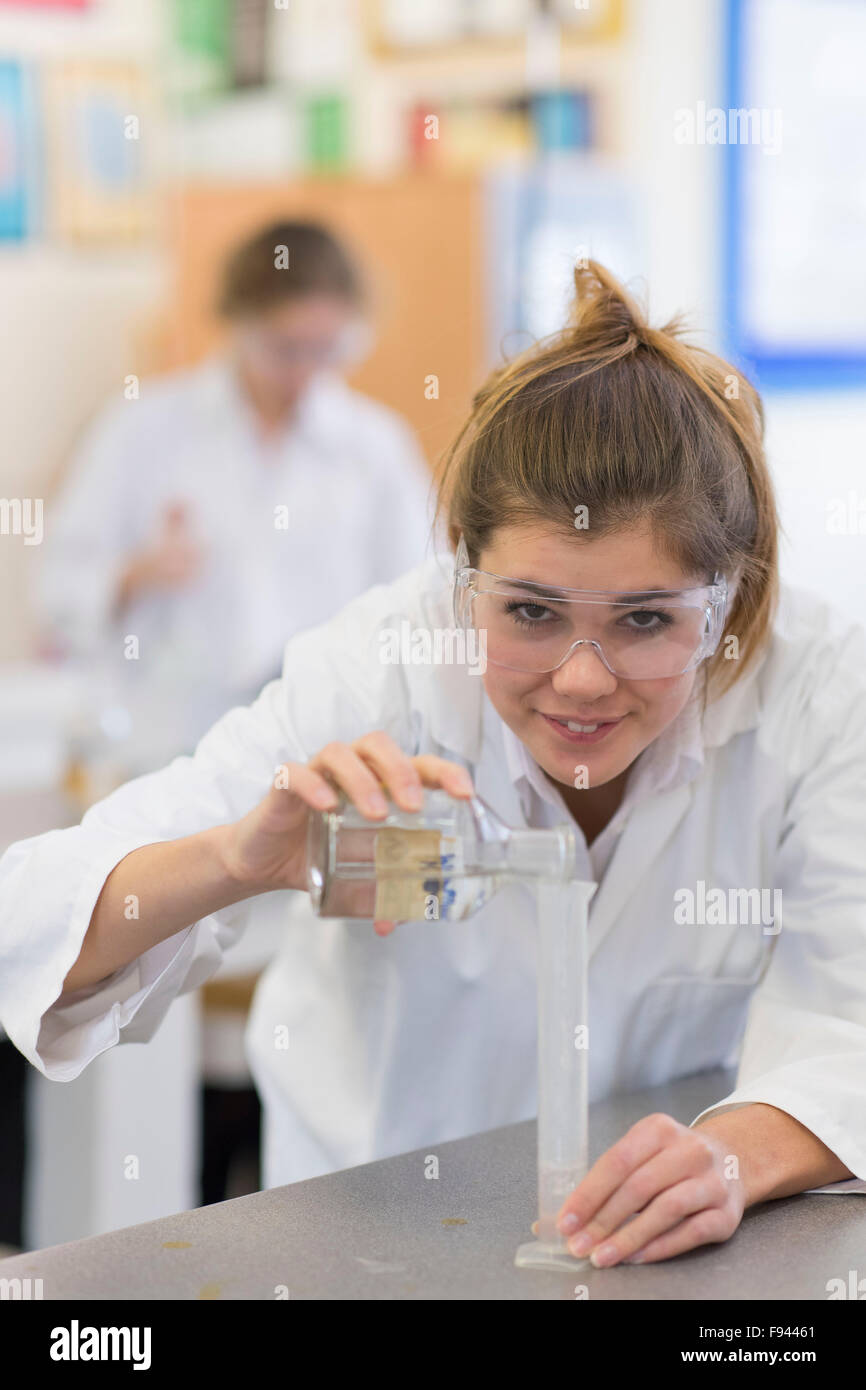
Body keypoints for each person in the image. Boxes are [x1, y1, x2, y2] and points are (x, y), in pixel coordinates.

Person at [3, 261, 865, 1270]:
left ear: (728, 597)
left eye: (643, 620)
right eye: (531, 613)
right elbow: (31, 911)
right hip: (365, 1235)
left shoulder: (813, 685)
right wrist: (239, 857)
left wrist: (732, 1156)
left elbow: (846, 998)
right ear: (462, 566)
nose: (581, 682)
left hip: (646, 1253)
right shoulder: (384, 667)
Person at [35, 220, 434, 763]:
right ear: (237, 325)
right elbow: (58, 588)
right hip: (166, 748)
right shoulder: (142, 429)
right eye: (283, 347)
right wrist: (134, 575)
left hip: (324, 746)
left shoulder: (374, 445)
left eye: (324, 348)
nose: (302, 372)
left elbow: (422, 599)